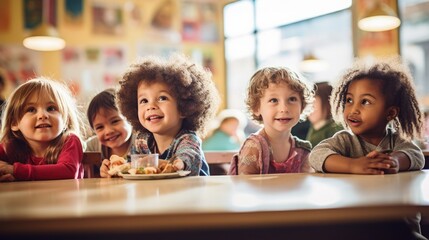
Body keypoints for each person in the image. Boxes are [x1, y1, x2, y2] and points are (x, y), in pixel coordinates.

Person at [309, 57, 426, 240]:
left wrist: (393, 161)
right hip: (356, 227)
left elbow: (416, 155)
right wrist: (353, 166)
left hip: (402, 229)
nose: (353, 110)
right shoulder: (345, 140)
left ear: (390, 113)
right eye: (349, 100)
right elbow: (317, 155)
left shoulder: (397, 142)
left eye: (365, 102)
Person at [100, 54, 220, 177]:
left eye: (162, 98)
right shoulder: (142, 141)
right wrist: (116, 169)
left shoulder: (187, 139)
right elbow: (132, 168)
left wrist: (180, 164)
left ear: (185, 108)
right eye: (144, 101)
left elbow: (189, 155)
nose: (150, 106)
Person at [229, 66, 315, 175]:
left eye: (292, 99)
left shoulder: (303, 150)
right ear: (257, 108)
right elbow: (246, 188)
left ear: (302, 106)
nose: (284, 109)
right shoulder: (254, 147)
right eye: (273, 100)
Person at [0, 77, 85, 181]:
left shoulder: (69, 140)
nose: (43, 115)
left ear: (65, 119)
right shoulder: (10, 147)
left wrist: (14, 170)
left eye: (51, 108)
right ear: (14, 122)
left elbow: (68, 171)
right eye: (31, 110)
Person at [85, 88, 135, 177]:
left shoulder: (142, 141)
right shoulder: (92, 146)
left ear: (130, 117)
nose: (108, 131)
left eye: (115, 121)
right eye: (100, 127)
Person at [306, 81, 343, 147]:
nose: (309, 108)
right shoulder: (315, 127)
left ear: (328, 103)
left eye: (313, 102)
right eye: (308, 103)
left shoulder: (335, 130)